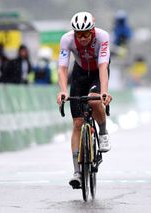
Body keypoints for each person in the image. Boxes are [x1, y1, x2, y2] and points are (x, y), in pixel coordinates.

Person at [56, 11, 112, 189]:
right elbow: (62, 69)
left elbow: (103, 65)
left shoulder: (102, 37)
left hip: (97, 73)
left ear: (92, 30)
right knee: (78, 123)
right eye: (78, 34)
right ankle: (77, 173)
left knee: (94, 100)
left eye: (86, 34)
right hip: (79, 73)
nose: (82, 38)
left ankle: (102, 131)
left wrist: (104, 91)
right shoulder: (67, 40)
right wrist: (63, 91)